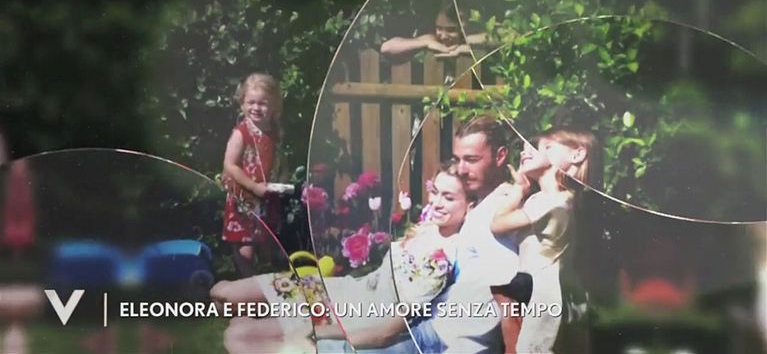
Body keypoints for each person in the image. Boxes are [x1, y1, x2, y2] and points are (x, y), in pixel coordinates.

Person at [210, 162, 473, 353]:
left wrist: (319, 332)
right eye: (435, 191)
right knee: (222, 294)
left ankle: (262, 323)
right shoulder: (429, 224)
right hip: (346, 290)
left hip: (354, 318)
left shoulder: (440, 262)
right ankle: (261, 319)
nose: (436, 202)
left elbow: (385, 333)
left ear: (469, 206)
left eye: (448, 197)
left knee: (237, 337)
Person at [408, 115, 524, 353]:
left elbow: (508, 299)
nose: (461, 169)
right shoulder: (481, 204)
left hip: (446, 343)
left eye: (471, 160)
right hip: (434, 328)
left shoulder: (498, 212)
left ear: (500, 156)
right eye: (458, 159)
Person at [490, 126, 600, 353]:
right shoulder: (563, 199)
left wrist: (518, 191)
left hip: (546, 294)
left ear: (577, 154)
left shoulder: (551, 201)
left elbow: (497, 225)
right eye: (524, 147)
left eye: (545, 146)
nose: (526, 151)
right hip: (563, 293)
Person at [221, 73, 285, 277]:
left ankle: (262, 284)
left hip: (266, 197)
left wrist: (283, 179)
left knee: (266, 245)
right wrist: (253, 186)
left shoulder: (274, 132)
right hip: (245, 199)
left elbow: (279, 159)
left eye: (263, 103)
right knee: (245, 247)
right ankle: (245, 283)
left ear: (274, 106)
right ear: (242, 104)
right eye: (251, 102)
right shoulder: (241, 133)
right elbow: (230, 164)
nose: (256, 108)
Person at [379, 0, 485, 58]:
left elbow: (492, 39)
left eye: (451, 30)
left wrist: (466, 47)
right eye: (439, 28)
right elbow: (386, 47)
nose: (443, 36)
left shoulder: (470, 38)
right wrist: (426, 43)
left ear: (464, 25)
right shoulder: (433, 39)